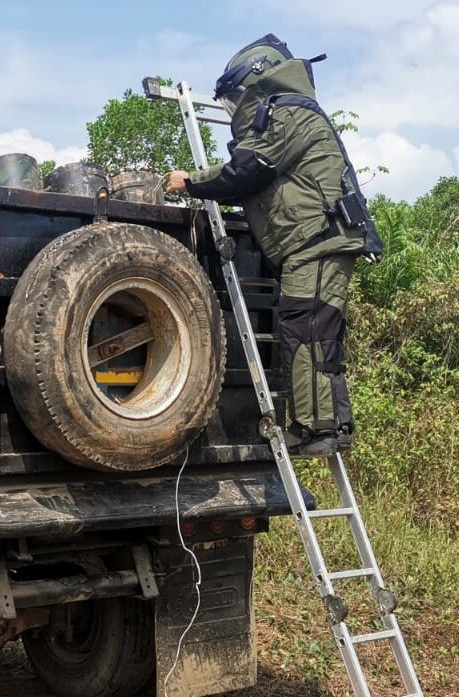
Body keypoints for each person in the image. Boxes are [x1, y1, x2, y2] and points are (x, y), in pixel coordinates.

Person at [165, 34, 365, 457]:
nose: (234, 109)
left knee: (306, 333)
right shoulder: (292, 114)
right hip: (320, 242)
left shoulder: (285, 114)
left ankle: (318, 430)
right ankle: (332, 426)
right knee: (319, 336)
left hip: (314, 244)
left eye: (235, 98)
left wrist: (192, 182)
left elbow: (246, 170)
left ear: (256, 82)